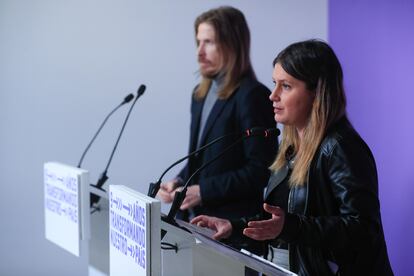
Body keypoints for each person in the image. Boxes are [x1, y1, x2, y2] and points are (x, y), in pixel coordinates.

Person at [191, 40, 394, 275]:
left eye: (286, 86)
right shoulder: (291, 147)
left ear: (317, 92)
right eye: (274, 83)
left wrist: (291, 227)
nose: (273, 96)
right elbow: (278, 220)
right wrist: (233, 227)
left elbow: (363, 229)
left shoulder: (341, 148)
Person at [157, 6, 277, 254]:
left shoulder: (253, 96)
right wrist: (179, 180)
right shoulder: (199, 94)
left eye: (209, 42)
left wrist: (203, 191)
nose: (199, 52)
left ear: (232, 45)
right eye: (198, 42)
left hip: (234, 233)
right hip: (195, 227)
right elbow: (202, 158)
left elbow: (260, 171)